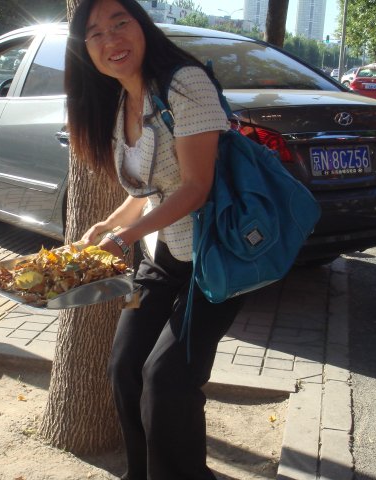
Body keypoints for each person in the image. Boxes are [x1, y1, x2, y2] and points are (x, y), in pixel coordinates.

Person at [65, 0, 245, 478]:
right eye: (95, 33)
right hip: (161, 257)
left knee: (166, 382)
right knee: (124, 369)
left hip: (215, 258)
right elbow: (150, 191)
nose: (111, 39)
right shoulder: (121, 100)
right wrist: (107, 227)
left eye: (120, 22)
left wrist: (123, 239)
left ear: (142, 26)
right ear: (85, 50)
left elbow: (195, 186)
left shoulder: (185, 83)